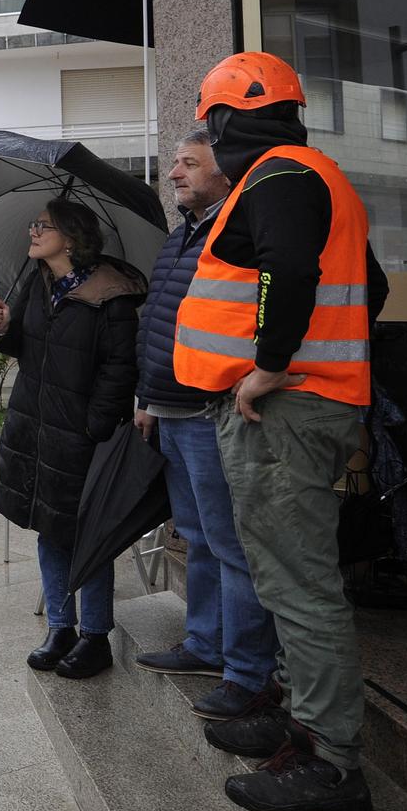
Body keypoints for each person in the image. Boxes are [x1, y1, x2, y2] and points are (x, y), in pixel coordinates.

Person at [174, 51, 386, 811]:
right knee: (285, 576)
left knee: (300, 585)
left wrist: (269, 365)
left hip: (283, 411)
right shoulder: (312, 174)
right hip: (306, 406)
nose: (208, 136)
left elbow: (287, 271)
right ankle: (297, 716)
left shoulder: (280, 176)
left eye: (210, 123)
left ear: (230, 120)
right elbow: (375, 287)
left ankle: (332, 761)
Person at [132, 130, 277, 720]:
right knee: (193, 536)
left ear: (225, 174)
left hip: (209, 409)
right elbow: (161, 321)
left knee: (230, 543)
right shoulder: (181, 237)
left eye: (190, 164)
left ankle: (246, 670)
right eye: (174, 164)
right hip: (168, 407)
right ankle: (204, 642)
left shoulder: (235, 233)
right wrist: (145, 394)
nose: (174, 173)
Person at [0, 200, 146, 680]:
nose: (32, 232)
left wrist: (92, 427)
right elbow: (31, 350)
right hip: (34, 427)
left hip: (80, 434)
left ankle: (95, 636)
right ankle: (61, 628)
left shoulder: (110, 294)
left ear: (70, 238)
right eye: (34, 223)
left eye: (43, 225)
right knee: (48, 526)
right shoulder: (40, 282)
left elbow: (120, 370)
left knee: (86, 534)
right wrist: (4, 330)